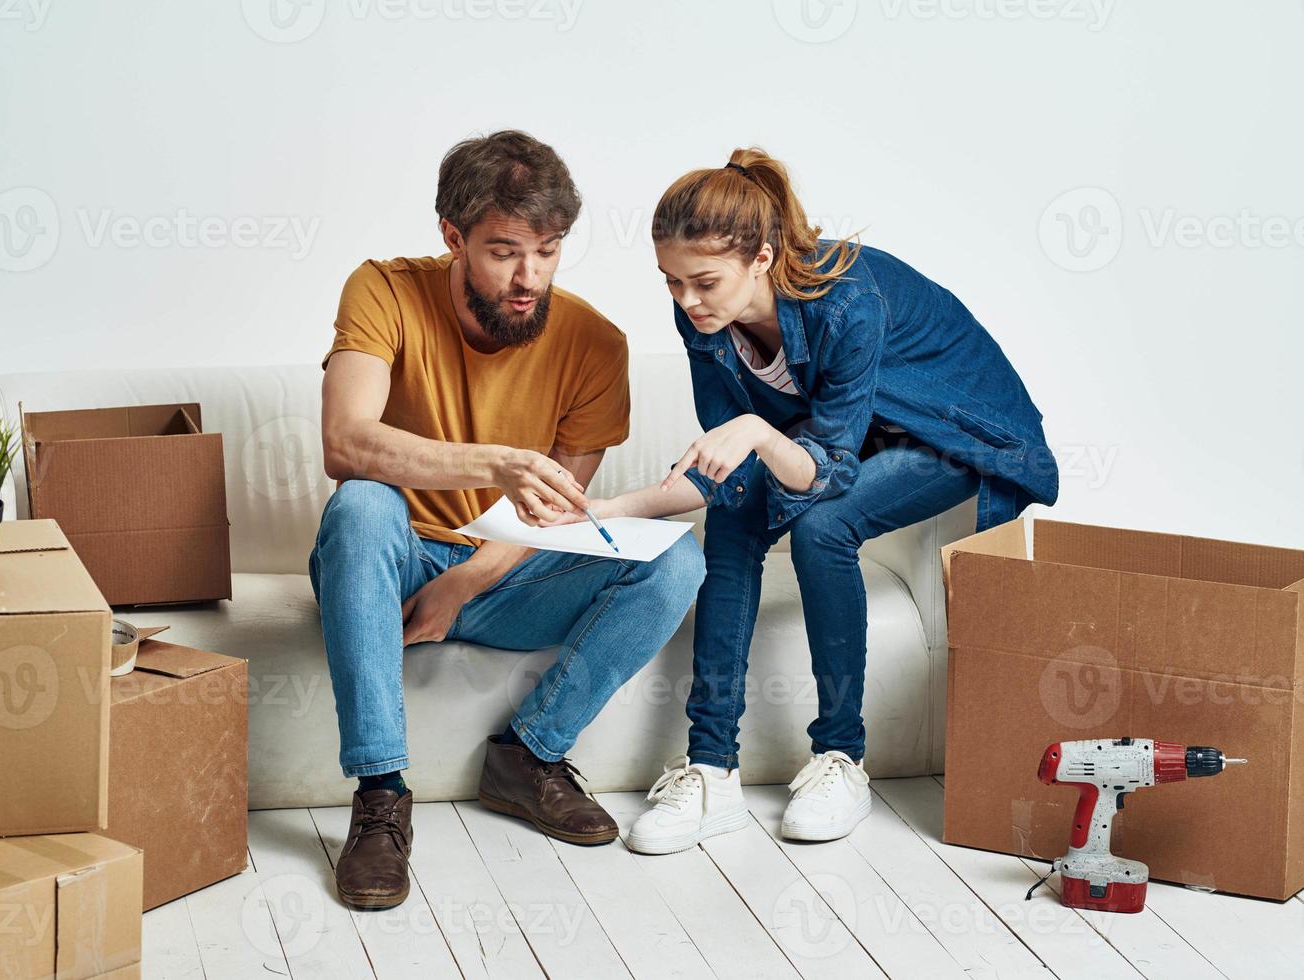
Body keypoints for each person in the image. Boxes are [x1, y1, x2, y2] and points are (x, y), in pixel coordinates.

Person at [549, 148, 1057, 853]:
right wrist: (601, 511)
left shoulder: (845, 300)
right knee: (731, 514)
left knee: (823, 527)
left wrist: (757, 429)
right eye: (670, 283)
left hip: (957, 431)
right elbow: (722, 466)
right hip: (854, 435)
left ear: (761, 257)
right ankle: (709, 769)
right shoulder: (700, 321)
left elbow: (823, 470)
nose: (685, 301)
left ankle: (840, 758)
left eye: (702, 282)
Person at [311, 130, 705, 909]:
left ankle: (528, 756)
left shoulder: (595, 342)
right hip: (383, 567)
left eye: (549, 250)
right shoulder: (382, 290)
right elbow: (345, 442)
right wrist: (494, 463)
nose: (530, 277)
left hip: (504, 575)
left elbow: (556, 513)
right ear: (452, 237)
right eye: (503, 251)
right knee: (360, 504)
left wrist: (466, 580)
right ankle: (381, 795)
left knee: (677, 558)